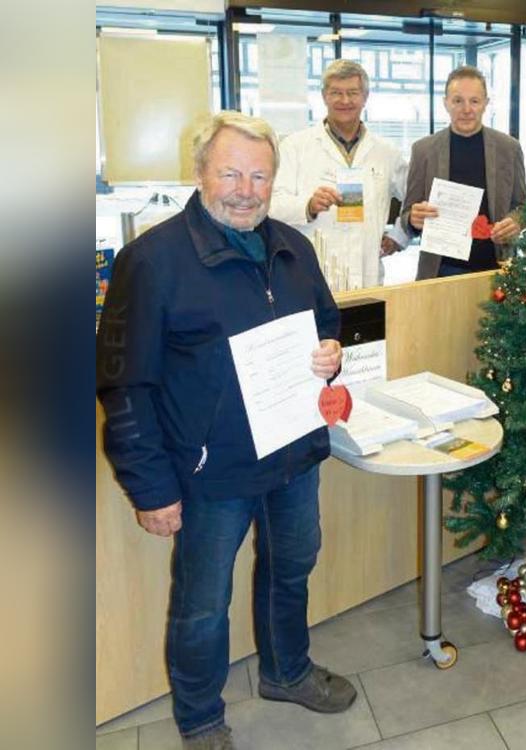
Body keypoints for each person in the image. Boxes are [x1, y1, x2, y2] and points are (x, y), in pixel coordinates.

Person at [97, 112, 353, 750]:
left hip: (293, 451)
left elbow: (328, 323)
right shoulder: (150, 260)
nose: (246, 188)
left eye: (260, 175)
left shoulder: (293, 246)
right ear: (200, 172)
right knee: (203, 603)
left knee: (292, 567)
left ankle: (286, 671)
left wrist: (330, 350)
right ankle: (200, 717)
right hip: (212, 474)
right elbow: (124, 385)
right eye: (231, 172)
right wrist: (151, 487)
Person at [270, 59, 409, 289]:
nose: (345, 101)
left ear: (365, 97)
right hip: (310, 275)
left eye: (353, 93)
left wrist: (399, 236)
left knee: (364, 324)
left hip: (367, 275)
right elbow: (271, 206)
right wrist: (308, 205)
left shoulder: (386, 152)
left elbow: (414, 197)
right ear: (324, 96)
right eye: (336, 93)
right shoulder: (294, 147)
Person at [401, 65, 526, 279]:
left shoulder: (509, 148)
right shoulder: (423, 150)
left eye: (474, 101)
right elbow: (407, 215)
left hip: (496, 268)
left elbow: (523, 207)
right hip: (440, 271)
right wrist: (413, 219)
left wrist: (516, 222)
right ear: (446, 103)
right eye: (458, 100)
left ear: (485, 104)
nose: (466, 109)